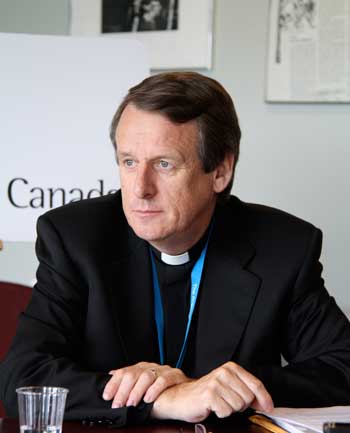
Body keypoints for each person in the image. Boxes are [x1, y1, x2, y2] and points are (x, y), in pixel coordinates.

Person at [1, 72, 350, 426]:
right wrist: (165, 400)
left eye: (164, 164)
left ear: (220, 172)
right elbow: (25, 378)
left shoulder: (281, 247)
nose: (140, 189)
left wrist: (218, 388)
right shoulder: (75, 238)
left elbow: (343, 366)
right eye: (129, 162)